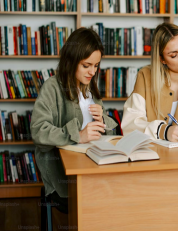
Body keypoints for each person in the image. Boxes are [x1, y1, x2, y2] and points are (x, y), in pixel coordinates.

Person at [30, 28, 117, 209]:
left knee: (121, 192)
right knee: (99, 200)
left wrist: (102, 119)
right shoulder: (52, 87)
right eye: (86, 65)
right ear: (71, 60)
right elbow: (38, 131)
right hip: (65, 173)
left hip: (94, 164)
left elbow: (108, 132)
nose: (92, 71)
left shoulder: (90, 87)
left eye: (96, 65)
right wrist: (78, 135)